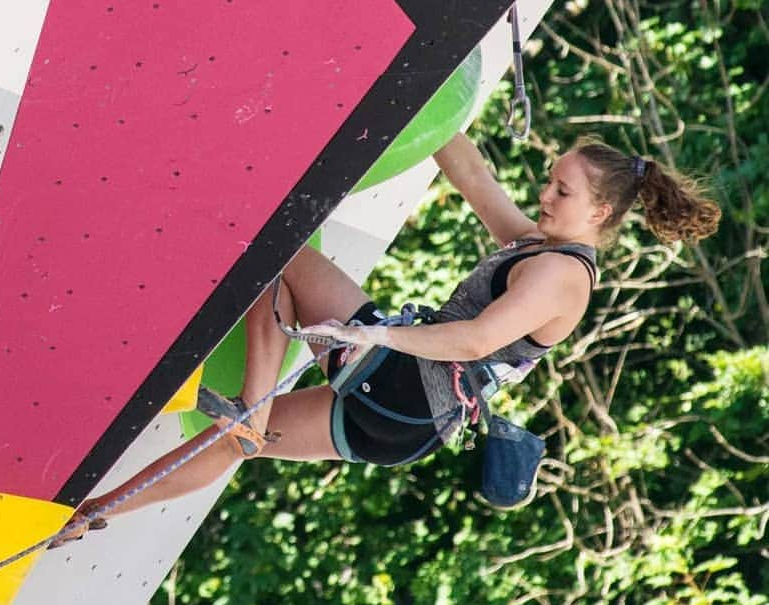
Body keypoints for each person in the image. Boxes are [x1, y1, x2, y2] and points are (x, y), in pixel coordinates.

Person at [53, 132, 721, 544]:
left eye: (561, 189)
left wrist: (372, 337)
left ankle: (252, 409)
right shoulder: (539, 246)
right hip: (404, 427)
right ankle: (91, 513)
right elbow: (472, 175)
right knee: (239, 446)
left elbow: (472, 340)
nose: (545, 193)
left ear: (599, 212)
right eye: (549, 179)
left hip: (402, 387)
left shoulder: (559, 279)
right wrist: (428, 82)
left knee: (274, 253)